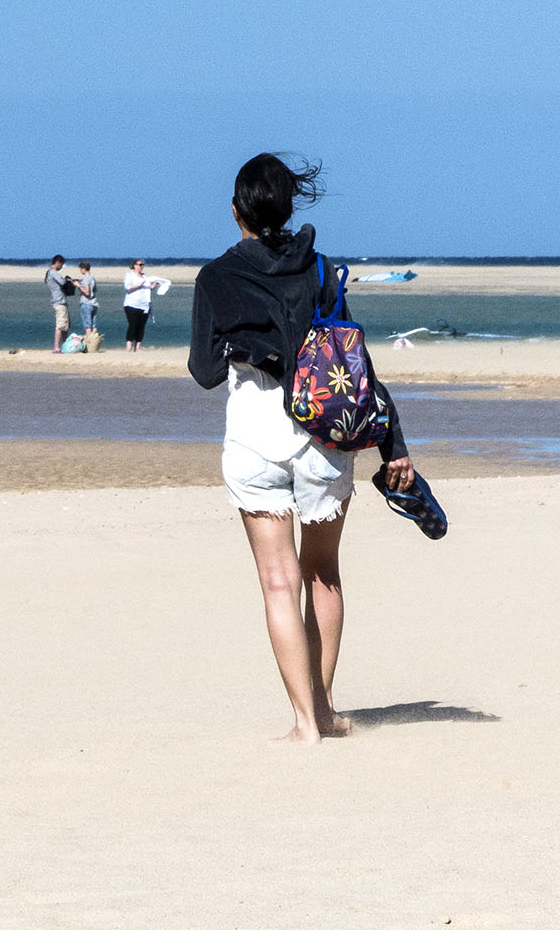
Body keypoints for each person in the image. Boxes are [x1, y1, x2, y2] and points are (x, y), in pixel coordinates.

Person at [188, 153, 414, 745]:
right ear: (289, 209)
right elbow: (356, 361)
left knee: (278, 582)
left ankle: (304, 725)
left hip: (256, 428)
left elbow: (205, 371)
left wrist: (248, 344)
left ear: (236, 211)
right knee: (323, 574)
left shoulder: (215, 278)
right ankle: (327, 707)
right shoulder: (320, 270)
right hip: (324, 427)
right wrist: (394, 441)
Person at [123, 259, 158, 350]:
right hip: (131, 304)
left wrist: (155, 284)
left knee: (141, 326)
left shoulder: (145, 277)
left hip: (144, 305)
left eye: (143, 265)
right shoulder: (130, 275)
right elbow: (128, 287)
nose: (141, 266)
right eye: (140, 265)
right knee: (133, 324)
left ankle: (138, 347)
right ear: (134, 265)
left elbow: (148, 288)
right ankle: (129, 345)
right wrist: (140, 283)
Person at [45, 254, 74, 351]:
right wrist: (67, 280)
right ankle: (56, 347)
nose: (61, 267)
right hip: (59, 301)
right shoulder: (53, 272)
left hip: (60, 300)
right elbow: (62, 282)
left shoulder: (49, 273)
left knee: (65, 325)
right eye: (61, 265)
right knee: (60, 325)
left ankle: (65, 345)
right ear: (57, 263)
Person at [75, 261, 99, 334]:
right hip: (94, 303)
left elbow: (87, 292)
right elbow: (94, 290)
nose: (80, 270)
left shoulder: (86, 278)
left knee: (87, 326)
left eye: (81, 269)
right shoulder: (92, 278)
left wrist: (78, 286)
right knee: (94, 326)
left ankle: (89, 343)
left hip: (86, 303)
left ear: (84, 269)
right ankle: (94, 343)